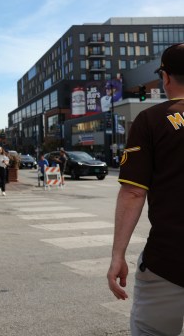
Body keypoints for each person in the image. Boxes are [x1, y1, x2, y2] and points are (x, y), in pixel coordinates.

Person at [107, 43, 184, 336]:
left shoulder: (150, 120)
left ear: (165, 77)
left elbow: (133, 193)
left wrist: (118, 256)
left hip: (170, 260)